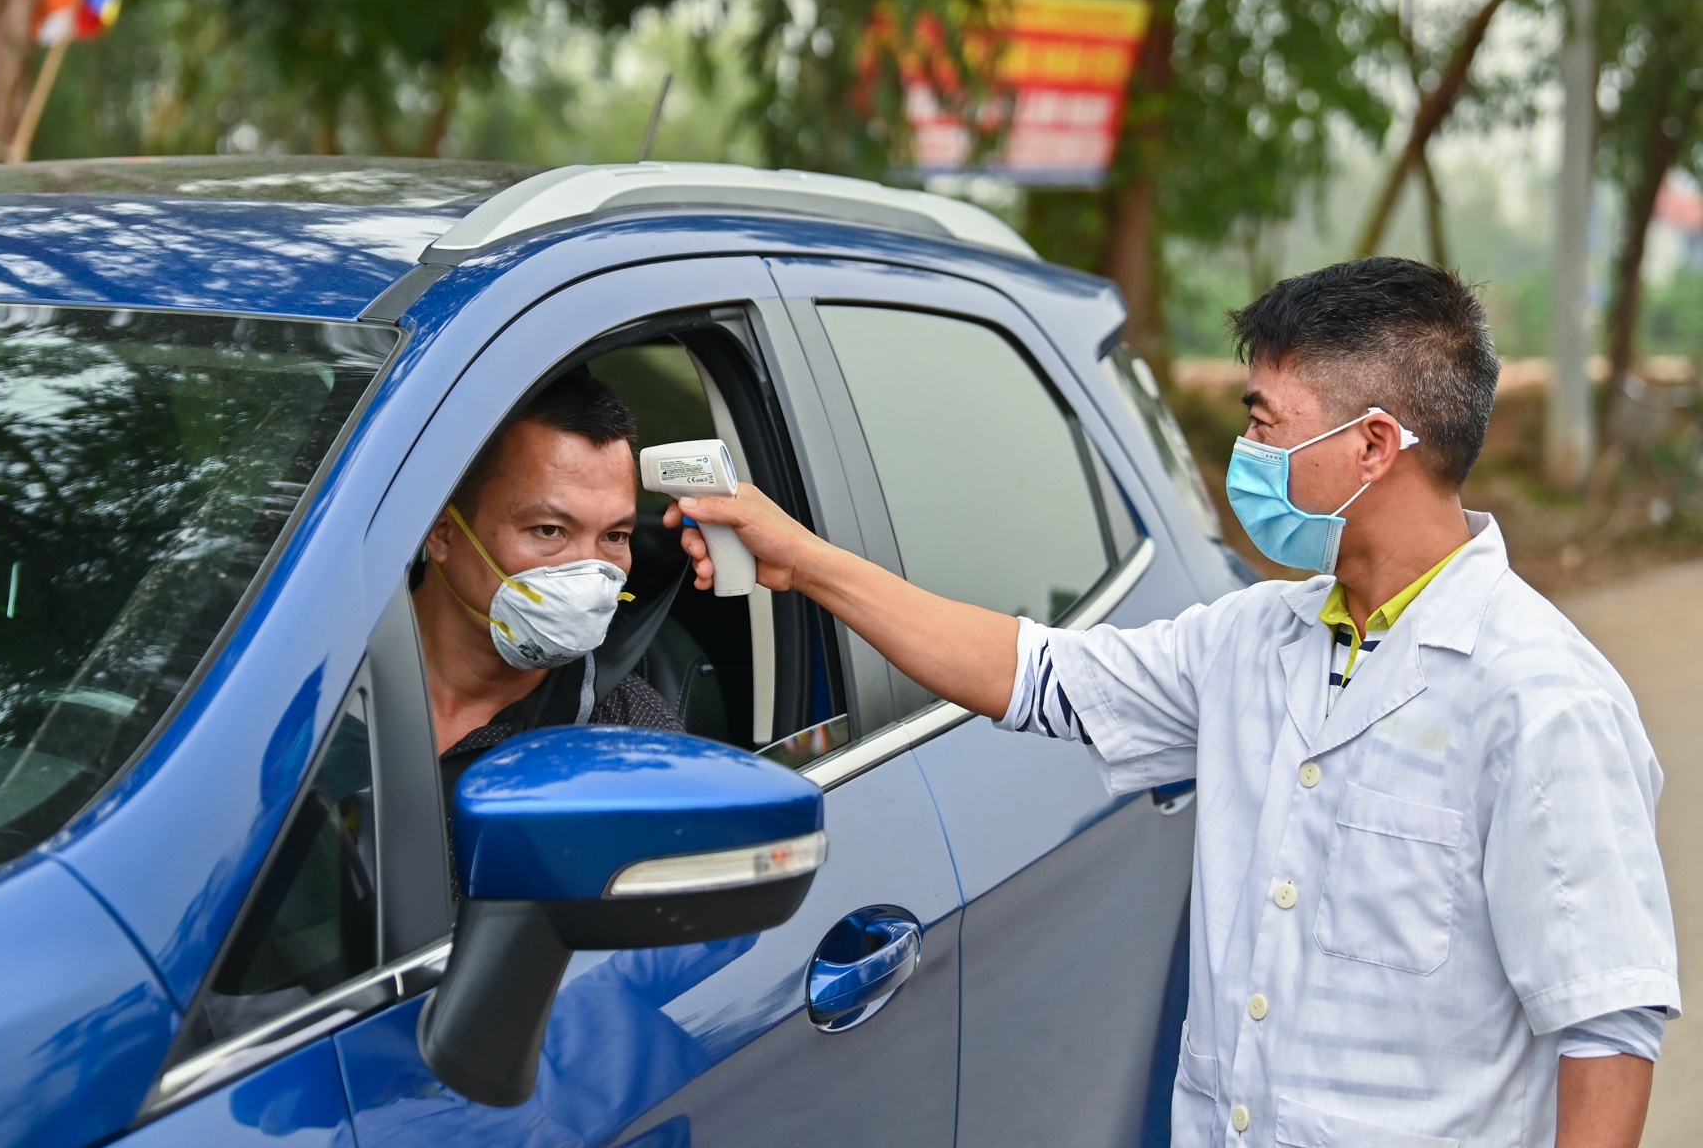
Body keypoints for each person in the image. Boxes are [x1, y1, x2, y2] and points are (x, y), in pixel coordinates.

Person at [666, 258, 1679, 1148]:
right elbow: (1034, 673)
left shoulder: (1542, 699)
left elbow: (1603, 1027)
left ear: (1374, 446)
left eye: (1263, 423)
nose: (1244, 458)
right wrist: (802, 559)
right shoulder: (1252, 639)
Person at [413, 367, 684, 794]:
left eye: (615, 536)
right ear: (443, 531)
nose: (588, 572)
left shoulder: (636, 747)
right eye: (549, 530)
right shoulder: (312, 676)